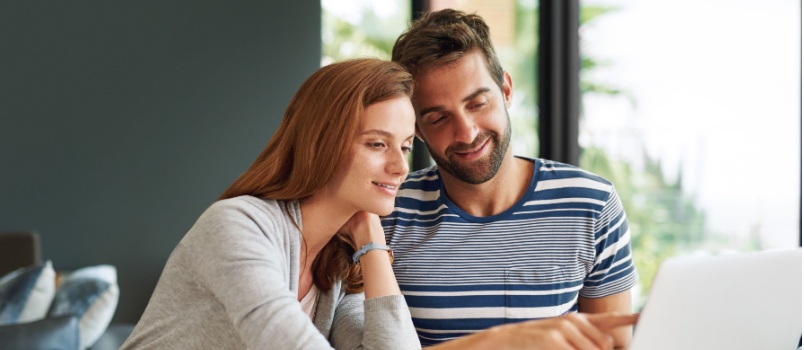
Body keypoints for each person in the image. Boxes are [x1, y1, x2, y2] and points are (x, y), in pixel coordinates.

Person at [382, 8, 639, 349]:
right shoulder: (388, 212)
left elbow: (616, 343)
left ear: (505, 89)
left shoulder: (592, 203)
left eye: (477, 103)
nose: (466, 132)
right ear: (415, 127)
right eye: (439, 117)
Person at [121, 58, 421, 349]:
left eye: (405, 147)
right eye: (377, 144)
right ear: (321, 142)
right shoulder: (236, 224)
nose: (401, 167)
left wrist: (374, 247)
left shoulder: (336, 268)